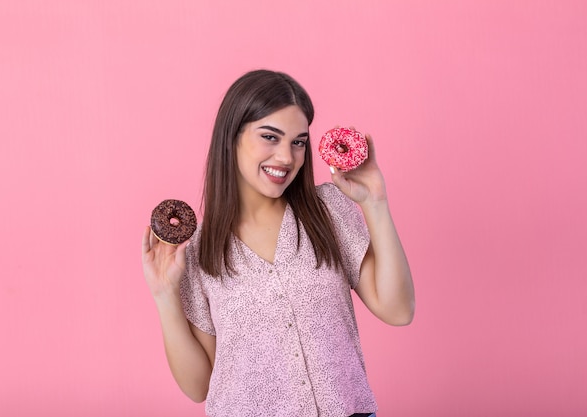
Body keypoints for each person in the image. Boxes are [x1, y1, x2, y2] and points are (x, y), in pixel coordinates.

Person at [141, 69, 415, 417]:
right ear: (232, 137)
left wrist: (375, 203)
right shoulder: (197, 251)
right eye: (270, 137)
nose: (287, 157)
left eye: (298, 141)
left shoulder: (328, 210)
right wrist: (165, 295)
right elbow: (198, 386)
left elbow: (398, 309)